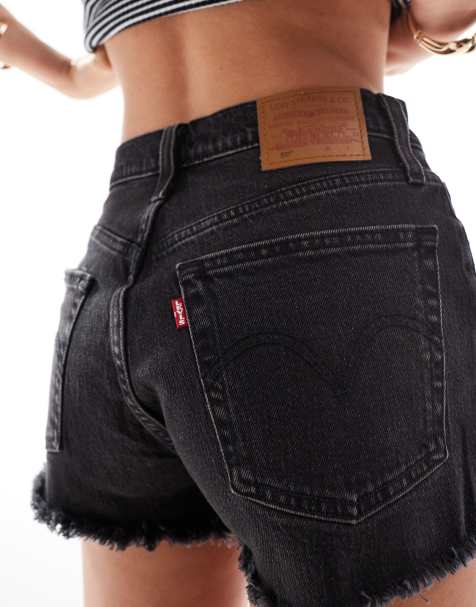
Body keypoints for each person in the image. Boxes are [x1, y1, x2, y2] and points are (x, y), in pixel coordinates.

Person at [2, 1, 476, 605]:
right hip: (312, 225)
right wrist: (421, 33)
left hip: (120, 261)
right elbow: (444, 12)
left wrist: (72, 74)